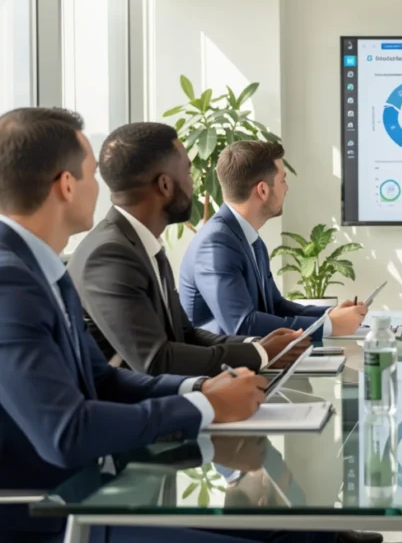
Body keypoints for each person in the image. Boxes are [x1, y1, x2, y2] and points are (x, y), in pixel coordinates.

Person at [0, 108, 267, 541]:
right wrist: (205, 407)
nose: (103, 188)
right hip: (53, 520)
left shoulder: (43, 268)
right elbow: (66, 432)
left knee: (282, 526)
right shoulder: (9, 282)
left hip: (97, 492)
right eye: (92, 175)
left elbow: (102, 380)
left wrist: (199, 390)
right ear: (66, 186)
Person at [67, 123, 310, 377]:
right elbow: (156, 360)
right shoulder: (109, 256)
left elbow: (186, 334)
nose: (194, 184)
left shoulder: (141, 245)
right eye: (188, 172)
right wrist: (261, 354)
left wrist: (257, 347)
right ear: (165, 185)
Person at [180, 141, 367, 342]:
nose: (286, 188)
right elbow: (242, 325)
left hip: (256, 359)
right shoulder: (216, 243)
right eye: (283, 180)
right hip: (224, 369)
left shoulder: (249, 238)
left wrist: (329, 314)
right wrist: (329, 326)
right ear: (262, 190)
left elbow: (275, 305)